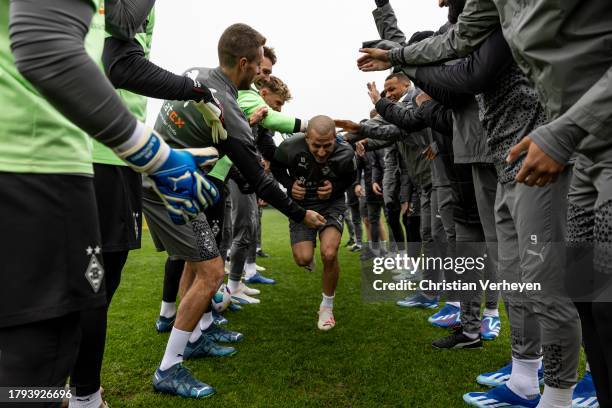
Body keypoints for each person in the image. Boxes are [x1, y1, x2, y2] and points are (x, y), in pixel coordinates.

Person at [0, 1, 220, 404]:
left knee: (35, 350)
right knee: (41, 351)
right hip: (42, 163)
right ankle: (84, 396)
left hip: (51, 158)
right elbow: (49, 47)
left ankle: (81, 394)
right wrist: (156, 155)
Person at [144, 23, 325, 398]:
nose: (262, 74)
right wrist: (299, 213)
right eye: (260, 66)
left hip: (159, 178)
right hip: (173, 189)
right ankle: (169, 368)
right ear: (243, 63)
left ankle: (195, 334)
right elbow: (259, 179)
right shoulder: (226, 109)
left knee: (197, 264)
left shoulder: (197, 74)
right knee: (212, 272)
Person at [272, 116, 357, 330]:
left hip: (331, 205)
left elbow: (351, 178)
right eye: (316, 146)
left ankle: (327, 307)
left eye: (327, 146)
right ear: (306, 138)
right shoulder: (289, 146)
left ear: (334, 139)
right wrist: (290, 184)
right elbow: (276, 168)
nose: (321, 152)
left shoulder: (346, 152)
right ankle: (308, 258)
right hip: (302, 207)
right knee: (303, 259)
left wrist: (334, 188)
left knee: (330, 253)